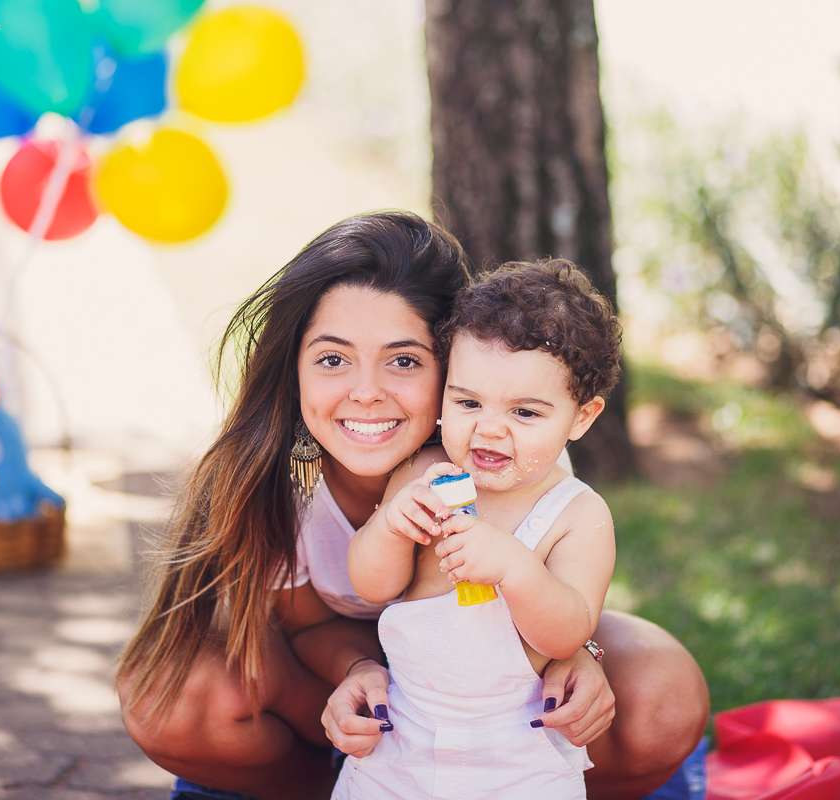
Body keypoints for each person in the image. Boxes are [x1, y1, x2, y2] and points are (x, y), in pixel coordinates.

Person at [115, 211, 709, 800]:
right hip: (367, 700)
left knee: (665, 691)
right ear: (294, 366)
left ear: (448, 364)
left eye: (404, 360)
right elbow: (312, 621)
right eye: (332, 358)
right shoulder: (280, 484)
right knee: (167, 690)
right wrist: (357, 670)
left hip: (499, 696)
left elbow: (565, 598)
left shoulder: (514, 454)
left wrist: (579, 652)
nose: (367, 392)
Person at [334, 259, 620, 799]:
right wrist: (393, 525)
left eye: (526, 413)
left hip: (517, 750)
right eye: (467, 402)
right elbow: (372, 585)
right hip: (404, 734)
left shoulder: (577, 514)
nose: (489, 427)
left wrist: (515, 568)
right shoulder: (423, 473)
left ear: (581, 417)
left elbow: (566, 633)